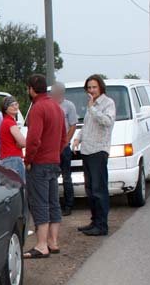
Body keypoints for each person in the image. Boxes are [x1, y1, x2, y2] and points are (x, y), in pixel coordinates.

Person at [22, 74, 68, 259]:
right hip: (54, 161)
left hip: (40, 163)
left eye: (28, 88)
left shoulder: (37, 108)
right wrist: (55, 152)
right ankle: (53, 242)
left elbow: (33, 139)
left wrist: (28, 160)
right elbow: (64, 137)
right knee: (53, 202)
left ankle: (41, 245)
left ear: (32, 89)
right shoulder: (56, 107)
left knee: (39, 203)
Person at [73, 74, 116, 237]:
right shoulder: (90, 105)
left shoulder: (107, 103)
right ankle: (94, 222)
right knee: (90, 190)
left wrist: (92, 108)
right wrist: (78, 138)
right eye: (89, 88)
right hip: (87, 150)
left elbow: (107, 122)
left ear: (101, 87)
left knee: (99, 190)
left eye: (94, 87)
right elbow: (87, 126)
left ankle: (102, 225)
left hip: (99, 150)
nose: (91, 90)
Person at [51, 81, 78, 215]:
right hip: (51, 147)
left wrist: (65, 141)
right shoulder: (49, 105)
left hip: (64, 147)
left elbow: (73, 125)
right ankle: (55, 205)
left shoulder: (69, 106)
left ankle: (68, 205)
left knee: (66, 176)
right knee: (53, 177)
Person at [0, 96, 26, 182]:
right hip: (13, 160)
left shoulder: (5, 121)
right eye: (11, 105)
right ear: (6, 109)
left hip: (5, 159)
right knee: (21, 189)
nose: (15, 107)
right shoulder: (10, 122)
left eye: (16, 104)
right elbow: (23, 142)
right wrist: (19, 144)